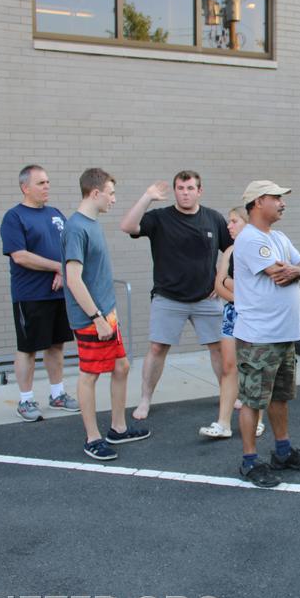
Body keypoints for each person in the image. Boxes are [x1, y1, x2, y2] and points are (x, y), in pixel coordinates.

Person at [119, 171, 233, 422]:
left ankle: (228, 394)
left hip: (206, 298)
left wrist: (223, 280)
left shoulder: (213, 218)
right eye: (180, 188)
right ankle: (145, 400)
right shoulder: (160, 218)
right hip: (168, 298)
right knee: (158, 348)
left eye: (190, 188)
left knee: (218, 348)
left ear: (199, 191)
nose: (185, 192)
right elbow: (127, 226)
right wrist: (147, 197)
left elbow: (233, 249)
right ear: (174, 191)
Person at [234, 180, 300, 488]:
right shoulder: (249, 239)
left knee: (280, 397)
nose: (282, 203)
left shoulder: (279, 236)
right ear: (257, 202)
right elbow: (279, 275)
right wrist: (297, 271)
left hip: (283, 334)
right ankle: (249, 461)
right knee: (253, 400)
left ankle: (283, 452)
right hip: (259, 336)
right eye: (276, 198)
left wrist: (298, 270)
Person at [61, 168, 149, 461]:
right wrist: (96, 317)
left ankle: (118, 428)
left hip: (106, 315)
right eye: (111, 193)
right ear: (95, 193)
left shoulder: (92, 223)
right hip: (92, 319)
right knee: (89, 375)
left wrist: (106, 315)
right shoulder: (76, 228)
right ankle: (93, 438)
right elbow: (73, 279)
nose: (113, 199)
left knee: (121, 368)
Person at [0, 164, 79, 423]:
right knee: (28, 348)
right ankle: (25, 400)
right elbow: (20, 256)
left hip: (58, 294)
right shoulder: (15, 217)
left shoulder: (56, 214)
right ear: (25, 187)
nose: (47, 187)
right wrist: (57, 266)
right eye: (41, 183)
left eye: (48, 182)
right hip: (31, 295)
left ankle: (57, 395)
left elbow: (68, 246)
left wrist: (62, 271)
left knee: (57, 345)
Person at [198, 207, 267, 439]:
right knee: (229, 367)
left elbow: (257, 288)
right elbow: (218, 285)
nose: (229, 226)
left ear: (247, 224)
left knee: (254, 368)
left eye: (234, 221)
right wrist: (234, 292)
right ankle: (223, 423)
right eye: (229, 221)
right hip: (232, 313)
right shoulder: (229, 250)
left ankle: (257, 419)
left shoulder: (258, 249)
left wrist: (233, 286)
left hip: (256, 316)